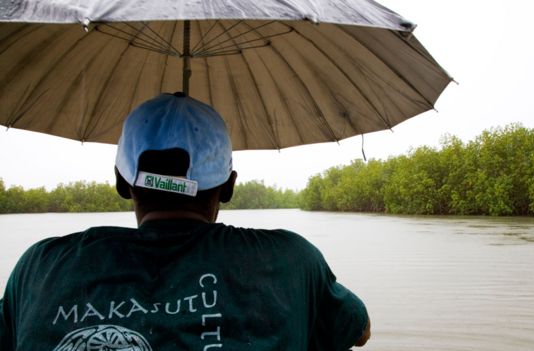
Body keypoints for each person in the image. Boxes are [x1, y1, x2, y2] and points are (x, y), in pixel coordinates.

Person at [0, 92, 371, 350]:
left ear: (120, 182)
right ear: (228, 187)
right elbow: (359, 331)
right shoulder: (293, 259)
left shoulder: (41, 265)